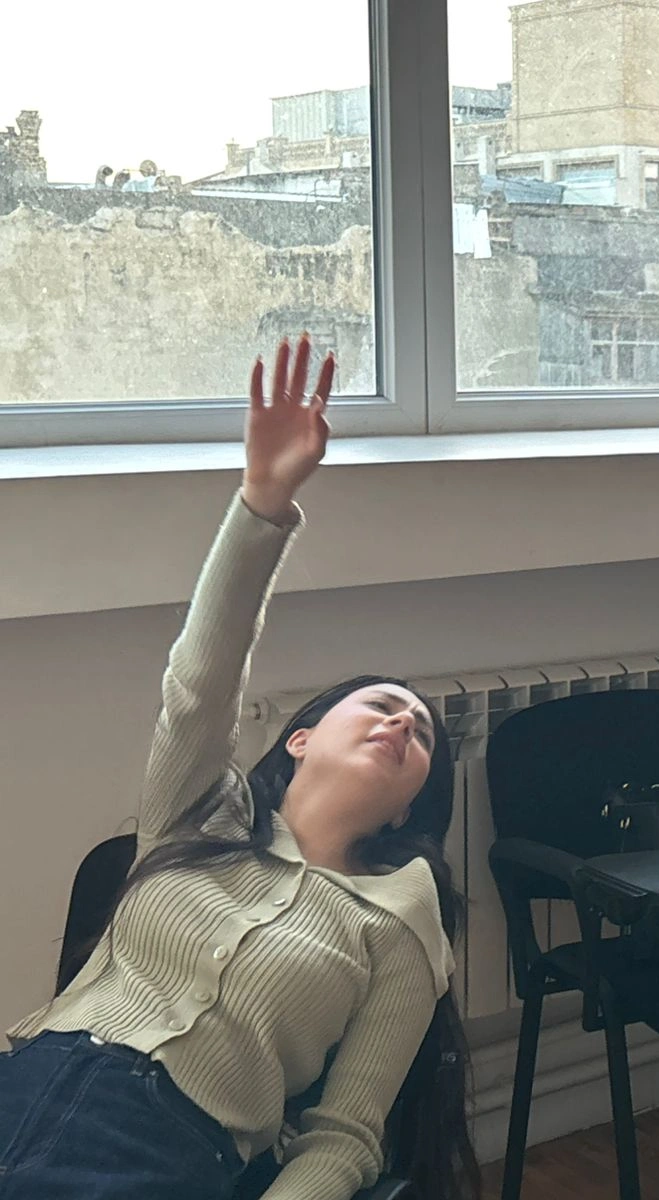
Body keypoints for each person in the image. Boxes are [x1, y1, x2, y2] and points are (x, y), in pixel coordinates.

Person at [0, 337, 480, 1200]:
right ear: (300, 738)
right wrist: (264, 502)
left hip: (164, 1153)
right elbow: (199, 685)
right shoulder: (199, 815)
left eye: (421, 736)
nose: (402, 721)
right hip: (22, 1082)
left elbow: (345, 1137)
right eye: (381, 704)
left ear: (410, 806)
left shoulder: (403, 924)